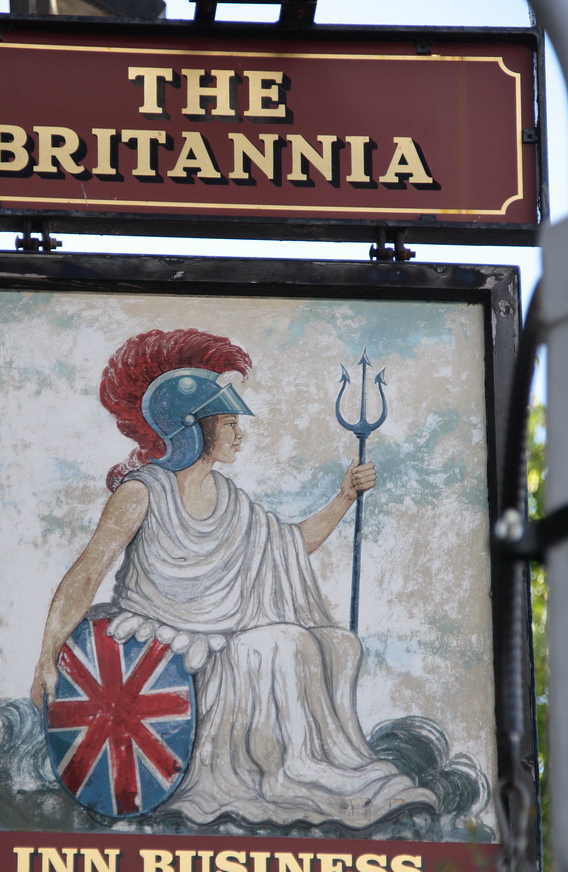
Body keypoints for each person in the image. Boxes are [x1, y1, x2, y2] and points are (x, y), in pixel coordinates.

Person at [31, 327, 437, 829]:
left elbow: (292, 543)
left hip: (223, 631)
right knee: (282, 644)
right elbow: (87, 572)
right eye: (228, 423)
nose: (240, 433)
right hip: (164, 641)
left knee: (337, 644)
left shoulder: (232, 501)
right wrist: (46, 657)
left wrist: (345, 496)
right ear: (192, 428)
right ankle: (289, 777)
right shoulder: (142, 493)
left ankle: (336, 770)